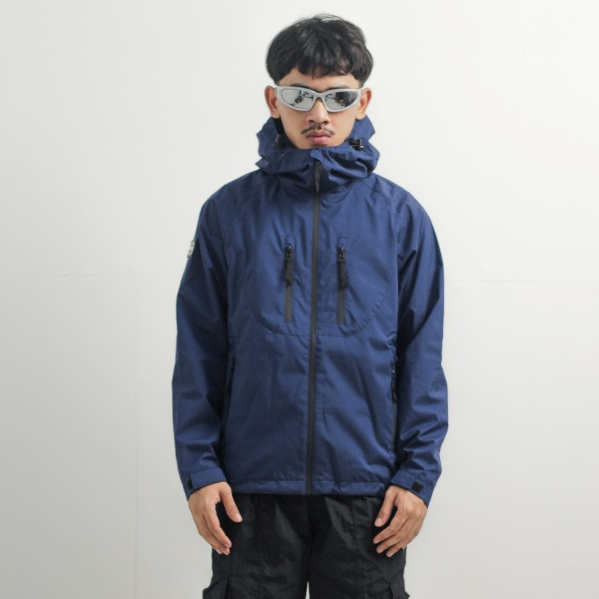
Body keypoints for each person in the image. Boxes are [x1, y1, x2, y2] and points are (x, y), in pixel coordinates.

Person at [173, 14, 448, 599]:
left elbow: (422, 359)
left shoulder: (401, 219)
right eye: (300, 96)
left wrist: (416, 477)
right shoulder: (228, 214)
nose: (319, 114)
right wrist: (200, 469)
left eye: (337, 97)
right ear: (274, 100)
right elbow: (199, 352)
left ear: (362, 101)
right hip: (249, 491)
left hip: (367, 493)